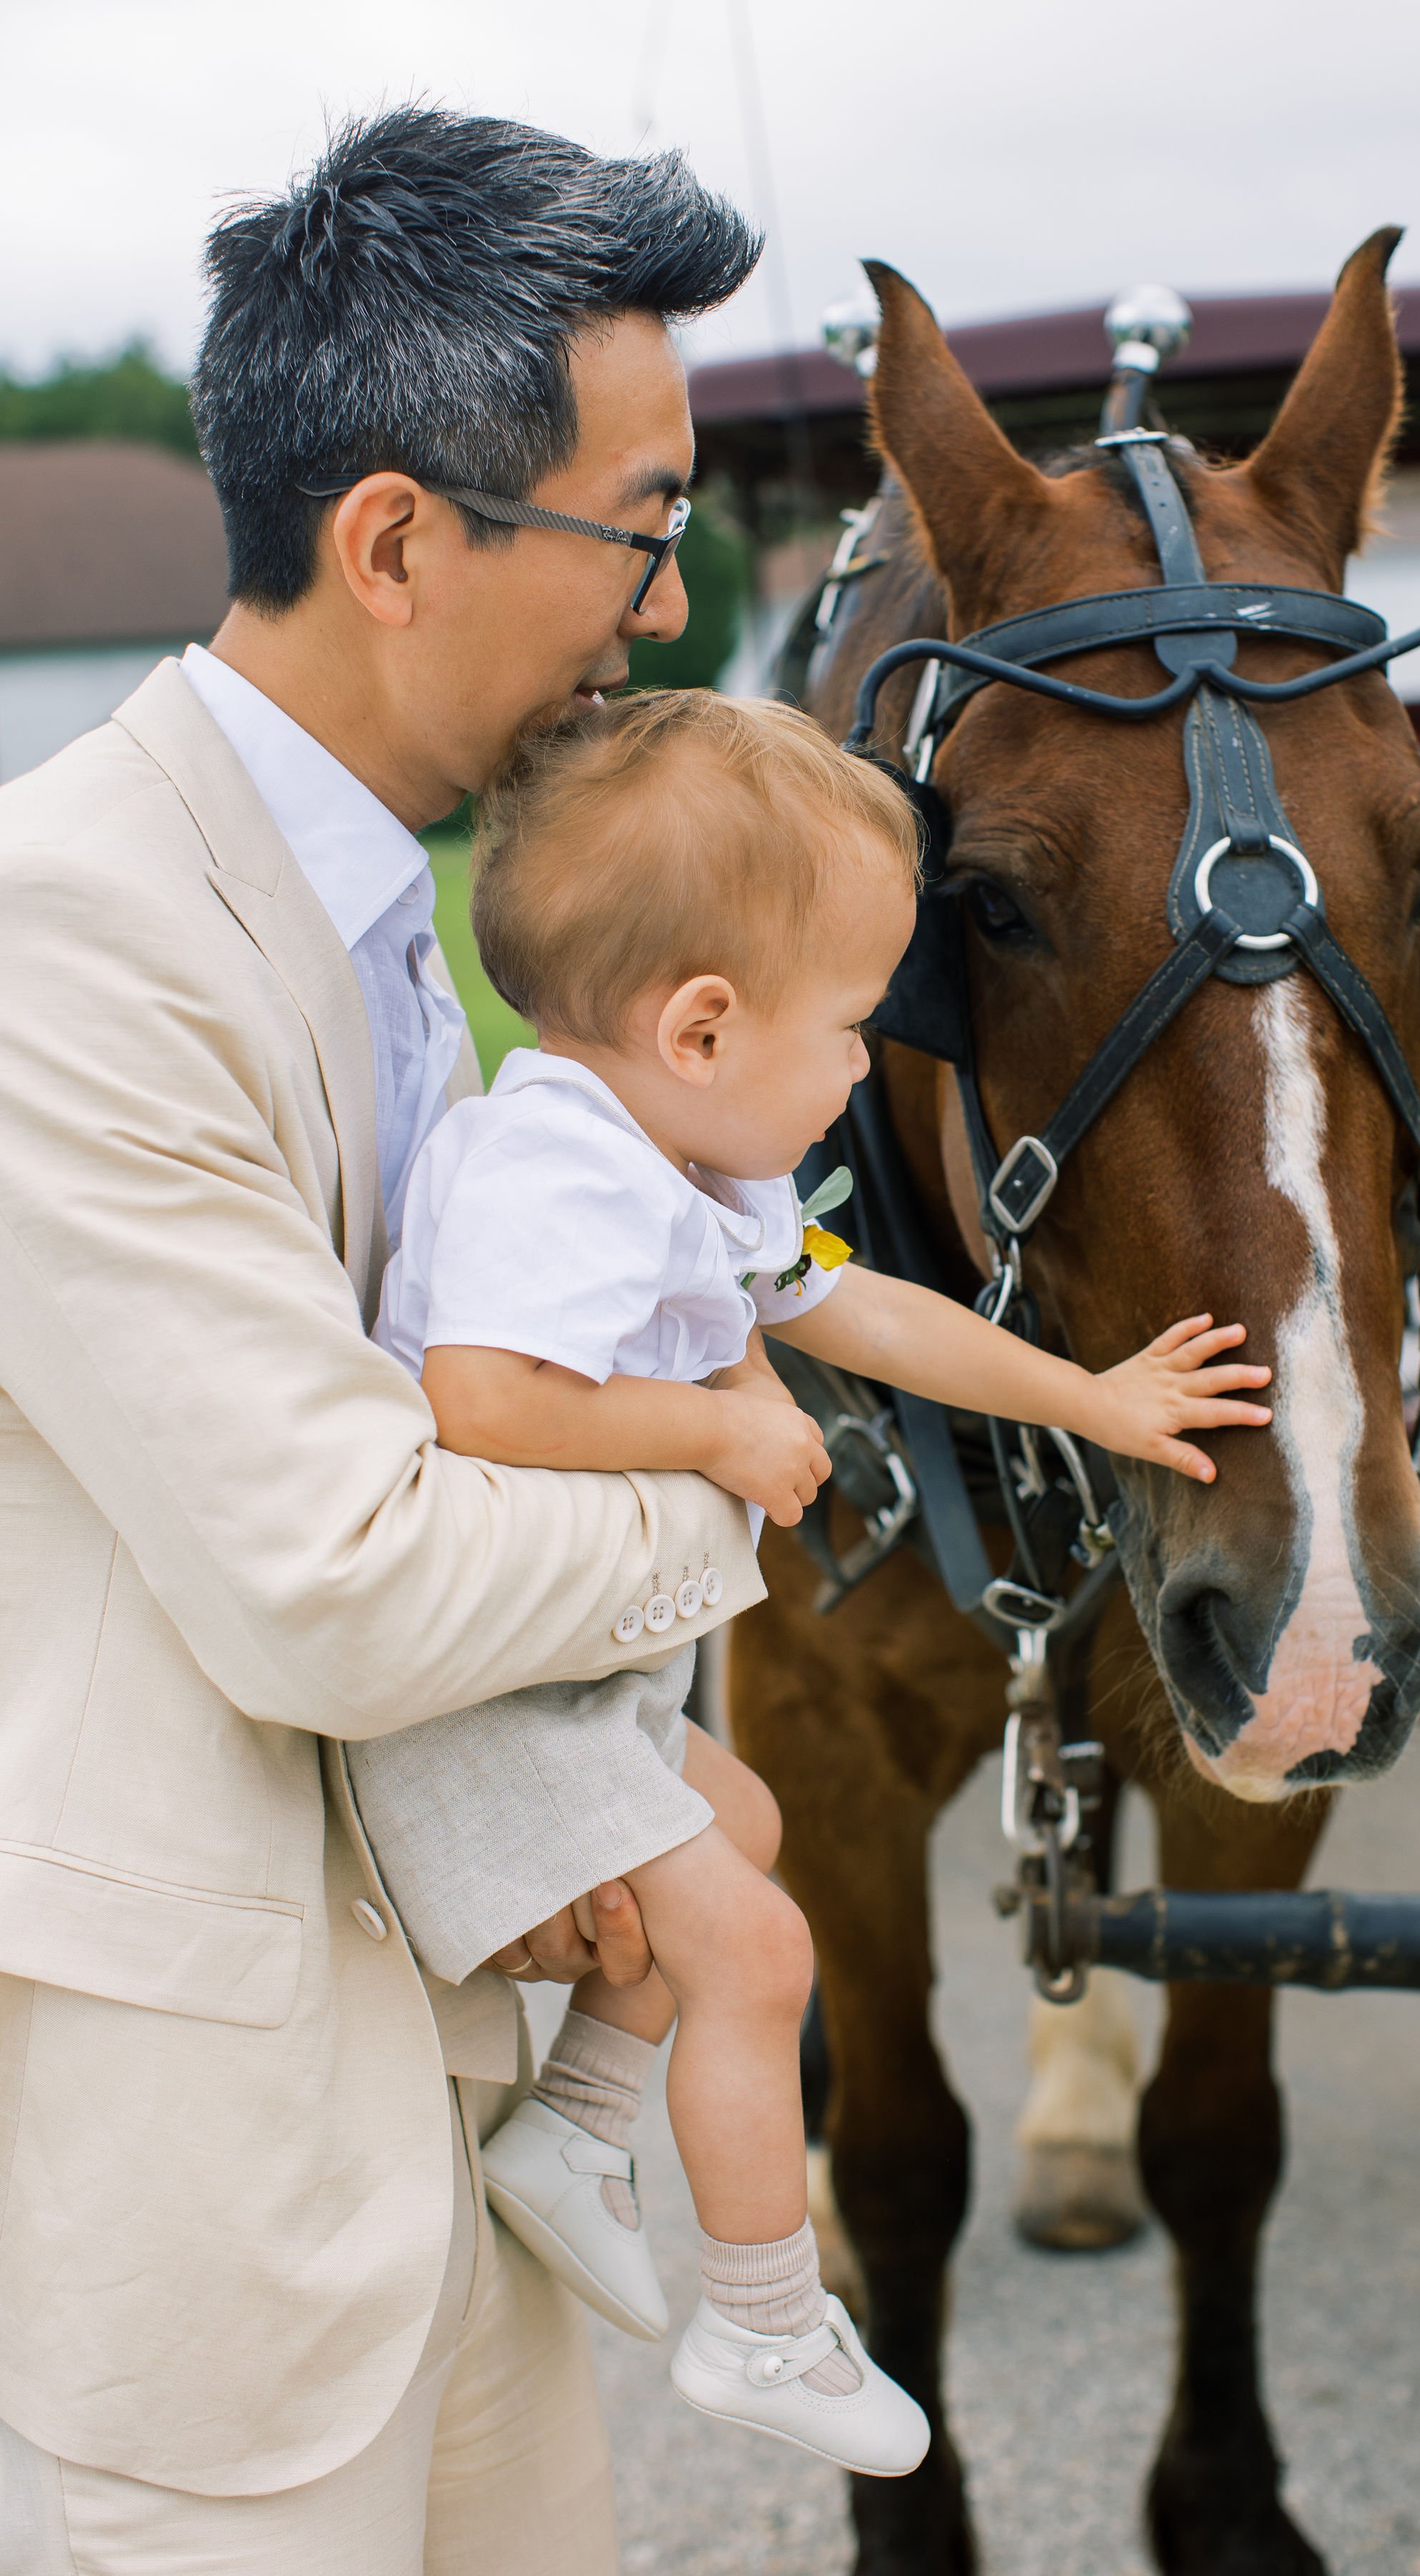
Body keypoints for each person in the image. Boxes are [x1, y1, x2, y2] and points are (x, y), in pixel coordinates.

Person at [0, 108, 765, 2576]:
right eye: (642, 531)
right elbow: (329, 1567)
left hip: (467, 2084)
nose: (664, 609)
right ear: (401, 539)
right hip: (215, 2183)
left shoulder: (399, 918)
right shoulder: (70, 927)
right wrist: (732, 1468)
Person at [349, 690, 1275, 2477]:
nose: (867, 1067)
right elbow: (481, 1400)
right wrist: (709, 1435)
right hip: (480, 1698)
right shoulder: (560, 1172)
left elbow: (864, 1311)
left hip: (572, 1683)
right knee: (765, 1955)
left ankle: (578, 2125)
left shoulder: (679, 1157)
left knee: (753, 1831)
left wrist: (1092, 1394)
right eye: (853, 1026)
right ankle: (766, 2322)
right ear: (701, 1027)